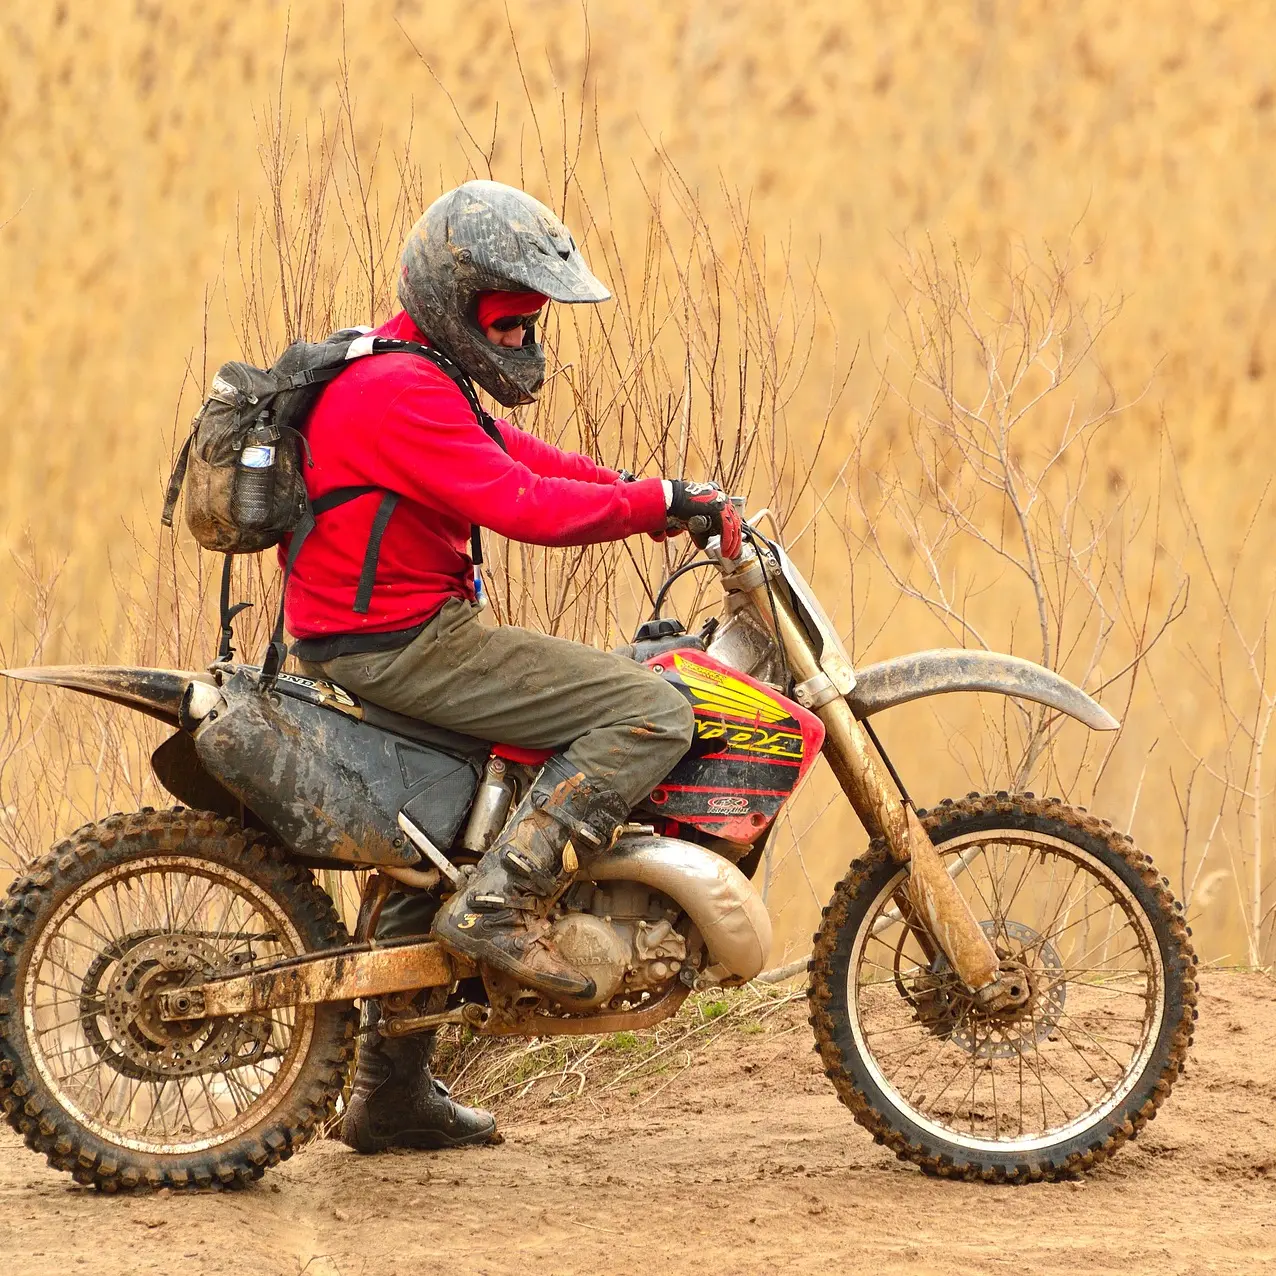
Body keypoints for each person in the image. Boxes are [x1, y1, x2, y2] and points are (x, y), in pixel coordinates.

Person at [284, 180, 740, 1154]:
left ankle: (391, 1097)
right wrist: (654, 503)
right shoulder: (400, 388)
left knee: (441, 833)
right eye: (511, 318)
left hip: (372, 630)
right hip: (398, 639)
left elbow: (523, 454)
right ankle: (503, 903)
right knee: (650, 708)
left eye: (532, 322)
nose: (526, 339)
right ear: (457, 300)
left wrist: (656, 492)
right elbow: (521, 503)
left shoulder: (410, 365)